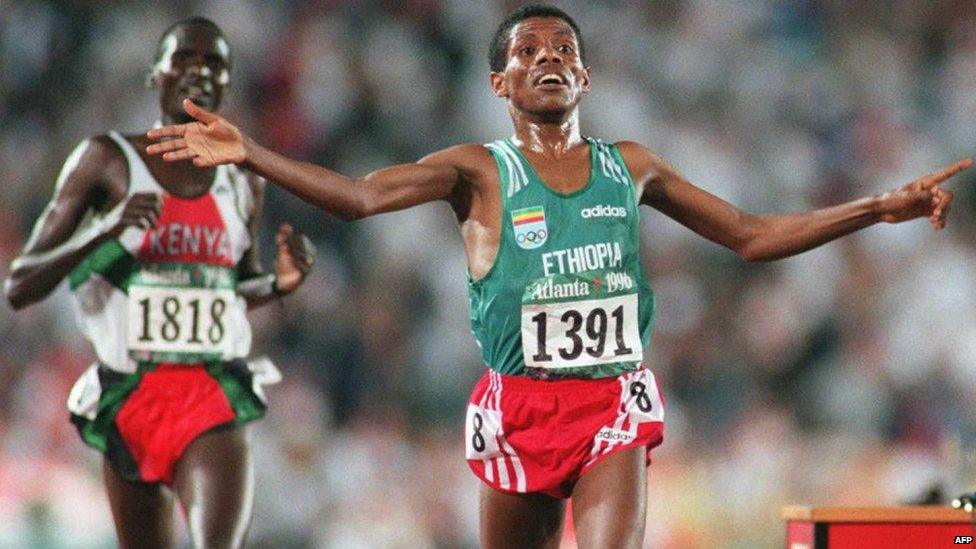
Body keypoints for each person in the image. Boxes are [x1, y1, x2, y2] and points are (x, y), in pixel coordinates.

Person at [145, 5, 970, 547]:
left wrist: (874, 206)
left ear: (585, 78)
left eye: (565, 50)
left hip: (610, 402)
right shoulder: (476, 170)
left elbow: (749, 235)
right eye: (528, 51)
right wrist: (251, 149)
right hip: (517, 407)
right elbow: (361, 198)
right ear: (500, 83)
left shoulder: (631, 166)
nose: (549, 58)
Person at [4, 17, 315, 549]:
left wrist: (279, 285)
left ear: (227, 84)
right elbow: (20, 284)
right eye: (185, 60)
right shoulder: (106, 160)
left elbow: (230, 291)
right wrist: (106, 229)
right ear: (156, 75)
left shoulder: (242, 175)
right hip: (132, 394)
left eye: (214, 64)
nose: (199, 72)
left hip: (212, 390)